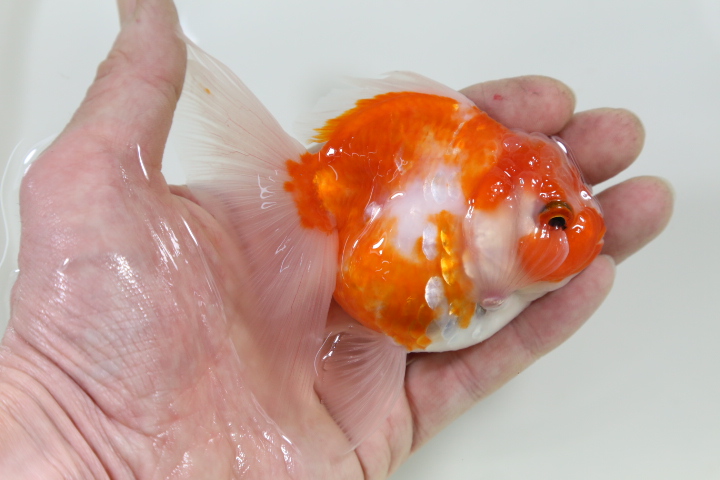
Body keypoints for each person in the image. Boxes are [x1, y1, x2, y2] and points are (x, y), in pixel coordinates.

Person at [0, 0, 673, 478]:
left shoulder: (484, 255)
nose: (569, 232)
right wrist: (71, 412)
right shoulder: (450, 240)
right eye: (552, 221)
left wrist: (75, 434)